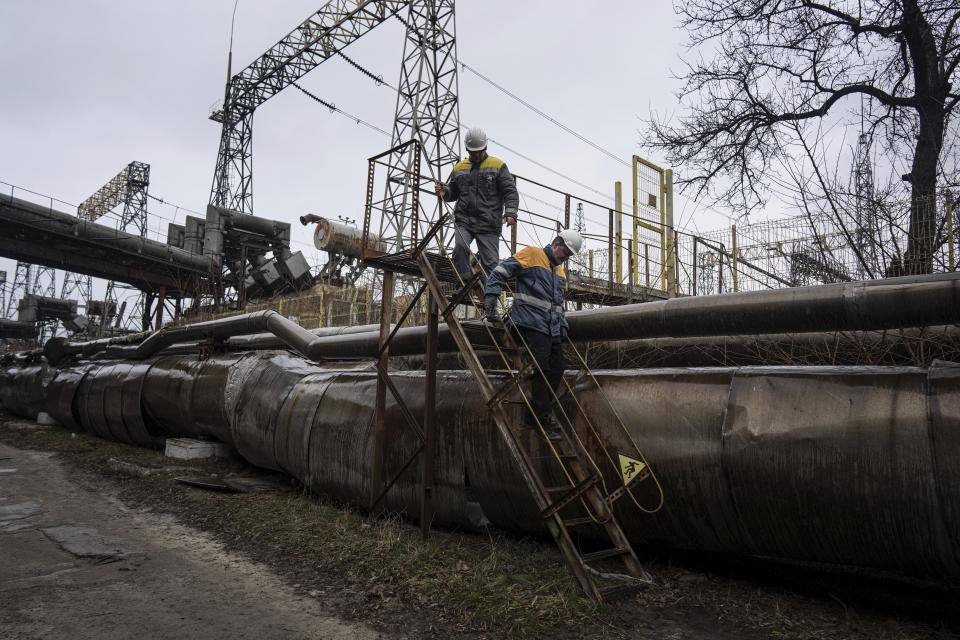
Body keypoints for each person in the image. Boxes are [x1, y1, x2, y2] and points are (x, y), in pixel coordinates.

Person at [483, 229, 583, 441]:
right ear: (556, 243)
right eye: (565, 252)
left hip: (552, 328)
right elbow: (499, 272)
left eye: (569, 255)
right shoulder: (532, 254)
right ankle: (542, 418)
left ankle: (533, 415)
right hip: (529, 323)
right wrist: (491, 299)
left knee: (557, 369)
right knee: (541, 367)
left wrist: (562, 326)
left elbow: (557, 305)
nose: (566, 257)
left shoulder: (560, 273)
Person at [434, 128, 519, 281]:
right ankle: (467, 281)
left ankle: (491, 298)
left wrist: (511, 212)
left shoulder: (498, 166)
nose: (476, 155)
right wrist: (444, 191)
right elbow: (453, 192)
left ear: (485, 147)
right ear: (467, 149)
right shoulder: (459, 168)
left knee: (491, 264)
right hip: (464, 220)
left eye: (479, 151)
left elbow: (510, 191)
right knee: (460, 247)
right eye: (473, 152)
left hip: (489, 223)